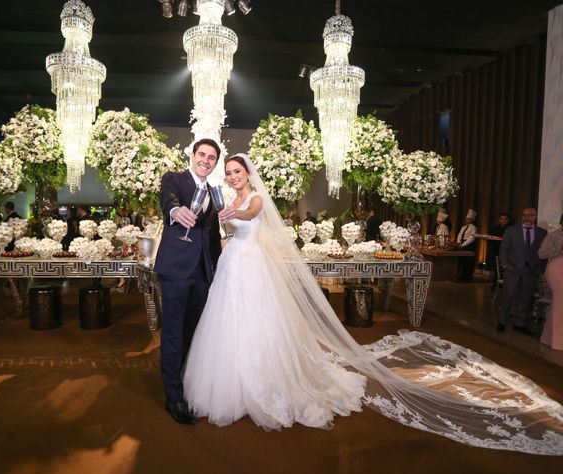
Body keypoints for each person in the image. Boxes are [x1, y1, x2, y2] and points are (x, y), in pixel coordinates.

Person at [181, 154, 563, 455]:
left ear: (247, 173)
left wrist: (235, 213)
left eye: (236, 171)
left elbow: (250, 215)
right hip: (233, 265)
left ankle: (266, 382)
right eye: (228, 172)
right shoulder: (226, 199)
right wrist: (221, 213)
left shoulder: (253, 199)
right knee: (227, 320)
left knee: (260, 321)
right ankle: (231, 380)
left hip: (252, 267)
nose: (232, 176)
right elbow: (228, 221)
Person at [154, 138, 222, 425]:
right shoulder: (175, 179)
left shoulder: (214, 192)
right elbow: (168, 199)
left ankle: (182, 380)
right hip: (175, 269)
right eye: (202, 155)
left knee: (190, 333)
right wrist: (174, 211)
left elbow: (212, 236)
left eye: (212, 158)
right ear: (192, 155)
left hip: (201, 273)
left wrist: (219, 267)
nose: (206, 160)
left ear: (216, 163)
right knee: (171, 332)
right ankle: (173, 398)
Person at [498, 207, 547, 333]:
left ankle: (519, 324)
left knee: (525, 298)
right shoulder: (511, 230)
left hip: (531, 270)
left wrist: (540, 268)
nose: (526, 217)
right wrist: (505, 265)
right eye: (524, 215)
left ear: (535, 217)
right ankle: (502, 321)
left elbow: (544, 252)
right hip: (512, 269)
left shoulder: (542, 233)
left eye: (530, 215)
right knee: (508, 295)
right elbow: (503, 248)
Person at [538, 214, 563, 350]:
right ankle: (559, 342)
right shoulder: (553, 235)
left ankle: (548, 338)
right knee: (561, 301)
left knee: (558, 303)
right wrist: (559, 249)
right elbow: (541, 254)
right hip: (556, 269)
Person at [487, 212, 511, 288]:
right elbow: (489, 239)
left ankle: (507, 285)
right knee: (496, 269)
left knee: (506, 269)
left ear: (508, 220)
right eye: (502, 219)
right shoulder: (494, 228)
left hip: (508, 253)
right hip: (496, 251)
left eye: (505, 219)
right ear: (499, 220)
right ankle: (496, 283)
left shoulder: (512, 229)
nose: (503, 221)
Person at [456, 209, 478, 281]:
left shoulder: (473, 227)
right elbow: (459, 235)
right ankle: (461, 274)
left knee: (468, 262)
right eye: (467, 219)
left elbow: (472, 238)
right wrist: (459, 242)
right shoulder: (463, 227)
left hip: (469, 245)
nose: (467, 220)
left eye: (469, 219)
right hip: (461, 244)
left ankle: (467, 276)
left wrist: (463, 244)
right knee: (462, 260)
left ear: (472, 220)